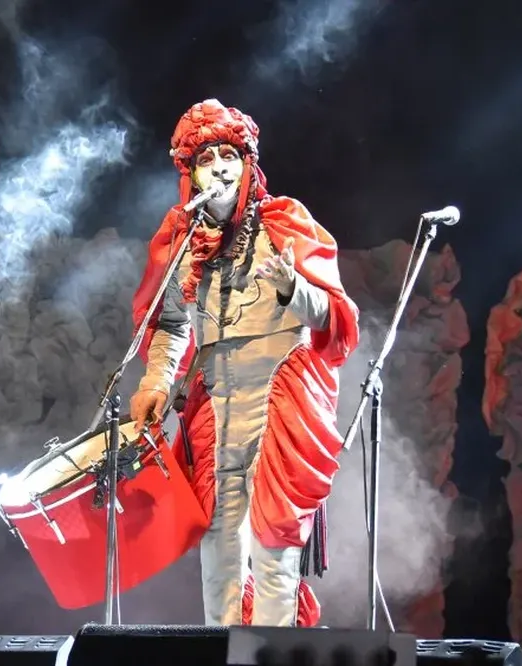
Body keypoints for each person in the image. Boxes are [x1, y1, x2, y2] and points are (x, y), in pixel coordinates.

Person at [129, 99, 360, 627]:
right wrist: (157, 382)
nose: (220, 168)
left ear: (248, 163)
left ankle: (272, 658)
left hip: (281, 399)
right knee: (219, 547)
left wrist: (291, 289)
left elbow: (334, 315)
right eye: (206, 159)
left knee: (273, 546)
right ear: (188, 173)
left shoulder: (286, 223)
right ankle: (223, 650)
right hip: (215, 405)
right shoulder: (182, 240)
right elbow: (168, 324)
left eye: (229, 155)